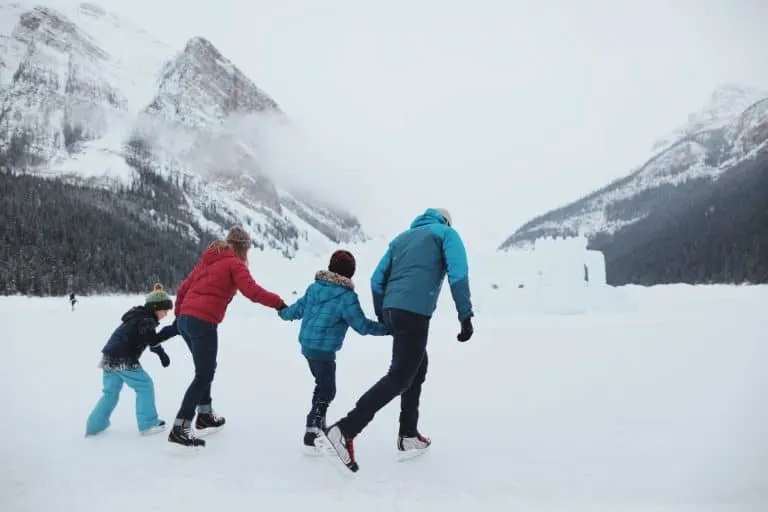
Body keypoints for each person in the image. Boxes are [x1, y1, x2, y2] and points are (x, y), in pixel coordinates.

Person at [317, 208, 475, 472]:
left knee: (417, 366)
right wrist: (465, 315)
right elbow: (458, 272)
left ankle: (408, 434)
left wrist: (384, 315)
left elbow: (376, 280)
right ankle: (344, 430)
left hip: (394, 309)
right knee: (401, 375)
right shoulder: (447, 234)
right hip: (414, 312)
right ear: (446, 221)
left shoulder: (401, 239)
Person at [169, 227, 287, 448]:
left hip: (186, 320)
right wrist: (279, 303)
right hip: (202, 321)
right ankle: (180, 427)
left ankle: (204, 414)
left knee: (205, 370)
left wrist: (179, 317)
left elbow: (183, 288)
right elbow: (252, 291)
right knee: (204, 374)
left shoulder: (208, 260)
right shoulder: (234, 263)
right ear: (243, 247)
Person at [277, 249, 390, 451]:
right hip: (324, 350)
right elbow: (362, 326)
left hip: (307, 346)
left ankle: (318, 424)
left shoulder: (314, 288)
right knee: (328, 389)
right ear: (350, 273)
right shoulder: (346, 297)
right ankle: (312, 428)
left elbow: (298, 308)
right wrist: (387, 329)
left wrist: (283, 312)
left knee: (322, 385)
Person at [85, 284, 178, 437]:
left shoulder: (138, 316)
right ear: (156, 307)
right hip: (124, 358)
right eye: (165, 310)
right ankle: (148, 424)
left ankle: (94, 426)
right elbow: (152, 340)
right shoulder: (146, 319)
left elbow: (150, 339)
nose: (166, 314)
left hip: (109, 356)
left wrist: (163, 342)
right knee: (144, 385)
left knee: (110, 392)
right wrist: (164, 349)